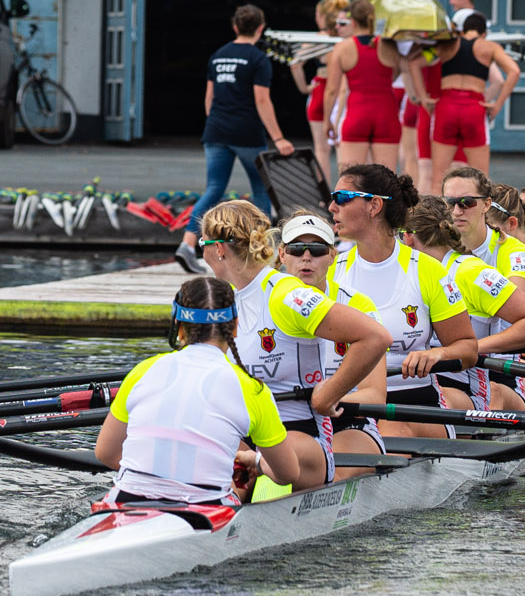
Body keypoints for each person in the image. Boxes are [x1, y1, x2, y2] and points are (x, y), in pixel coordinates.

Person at [197, 201, 390, 488]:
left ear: (219, 248)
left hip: (302, 434)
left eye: (202, 242)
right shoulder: (229, 299)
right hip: (249, 433)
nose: (201, 250)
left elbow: (377, 337)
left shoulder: (286, 295)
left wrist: (328, 395)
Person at [94, 275, 307, 506]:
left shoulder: (143, 371)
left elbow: (105, 453)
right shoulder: (252, 389)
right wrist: (255, 462)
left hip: (125, 499)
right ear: (235, 327)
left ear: (179, 327)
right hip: (206, 507)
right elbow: (288, 473)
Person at [324, 161, 472, 439]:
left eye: (341, 198)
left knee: (390, 430)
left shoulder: (427, 270)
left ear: (374, 205)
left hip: (413, 402)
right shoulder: (331, 270)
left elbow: (467, 349)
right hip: (346, 404)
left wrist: (436, 353)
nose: (332, 207)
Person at [404, 193, 525, 411]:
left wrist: (470, 348)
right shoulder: (413, 274)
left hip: (470, 390)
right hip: (427, 384)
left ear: (408, 238)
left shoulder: (471, 272)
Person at [191, 5, 296, 228]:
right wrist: (278, 138)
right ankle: (263, 246)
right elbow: (262, 100)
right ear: (261, 28)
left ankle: (188, 243)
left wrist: (218, 122)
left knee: (214, 189)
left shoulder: (217, 56)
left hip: (216, 130)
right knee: (260, 188)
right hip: (246, 133)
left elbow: (209, 98)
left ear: (235, 26)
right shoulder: (258, 59)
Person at [422, 11, 521, 188]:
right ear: (483, 33)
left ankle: (438, 214)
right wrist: (497, 105)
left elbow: (415, 62)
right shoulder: (488, 46)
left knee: (439, 178)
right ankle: (479, 214)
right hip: (473, 108)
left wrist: (422, 96)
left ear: (462, 30)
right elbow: (514, 71)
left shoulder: (447, 44)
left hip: (446, 107)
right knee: (481, 178)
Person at [319, 0, 403, 173]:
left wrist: (328, 120)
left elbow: (332, 90)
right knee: (385, 181)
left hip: (358, 112)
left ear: (353, 22)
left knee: (351, 179)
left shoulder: (343, 48)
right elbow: (394, 75)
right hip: (386, 113)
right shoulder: (389, 46)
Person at [293, 0, 349, 178]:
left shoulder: (317, 39)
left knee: (321, 150)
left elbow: (295, 64)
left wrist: (304, 88)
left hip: (320, 89)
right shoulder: (346, 40)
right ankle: (347, 192)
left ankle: (323, 196)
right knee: (345, 148)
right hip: (343, 91)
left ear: (322, 16)